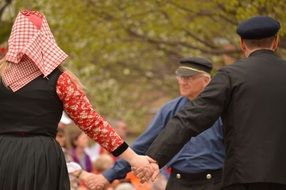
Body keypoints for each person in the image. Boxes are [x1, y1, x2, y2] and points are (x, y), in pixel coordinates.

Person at [0, 10, 153, 190]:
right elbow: (93, 123)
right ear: (46, 39)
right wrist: (134, 158)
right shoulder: (60, 79)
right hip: (42, 158)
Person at [143, 16, 286, 190]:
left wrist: (154, 157)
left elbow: (190, 119)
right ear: (276, 41)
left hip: (242, 177)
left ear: (242, 44)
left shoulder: (231, 76)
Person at [89, 57, 225, 190]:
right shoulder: (169, 110)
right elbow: (142, 145)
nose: (183, 82)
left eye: (189, 77)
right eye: (180, 77)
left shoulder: (222, 110)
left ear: (206, 80)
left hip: (214, 183)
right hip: (177, 182)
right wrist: (108, 176)